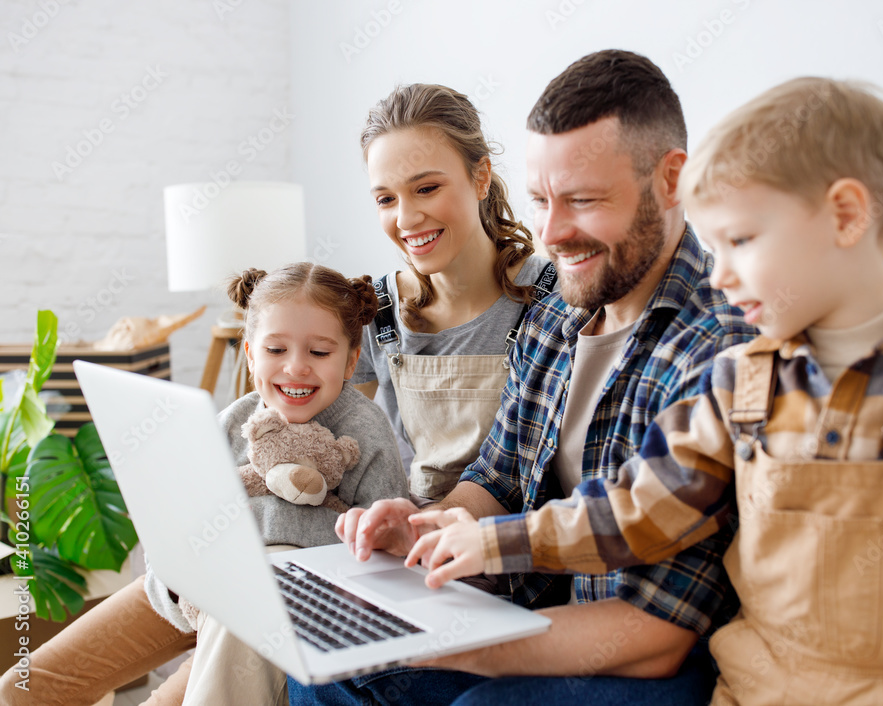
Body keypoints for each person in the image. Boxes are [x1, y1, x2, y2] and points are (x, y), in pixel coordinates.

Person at [409, 77, 883, 705]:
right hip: (752, 693)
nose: (717, 274)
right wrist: (492, 541)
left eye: (741, 241)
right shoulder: (743, 377)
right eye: (713, 246)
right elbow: (638, 509)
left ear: (847, 216)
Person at [298, 50, 755, 706]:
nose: (552, 232)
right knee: (326, 660)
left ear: (671, 181)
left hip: (643, 651)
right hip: (536, 611)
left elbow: (658, 632)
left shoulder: (718, 346)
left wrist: (453, 641)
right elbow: (499, 475)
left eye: (583, 201)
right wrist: (427, 525)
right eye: (541, 200)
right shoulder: (556, 314)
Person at [0, 263, 409, 706]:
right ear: (250, 353)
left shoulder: (365, 434)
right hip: (194, 588)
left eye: (320, 353)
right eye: (276, 349)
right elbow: (176, 528)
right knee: (24, 687)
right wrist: (179, 589)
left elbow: (384, 565)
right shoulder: (231, 421)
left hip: (274, 604)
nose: (296, 368)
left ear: (351, 360)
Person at [351, 82, 556, 503]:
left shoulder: (554, 298)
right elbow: (346, 448)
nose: (406, 218)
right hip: (404, 544)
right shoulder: (374, 311)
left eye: (426, 188)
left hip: (509, 550)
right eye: (386, 199)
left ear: (480, 177)